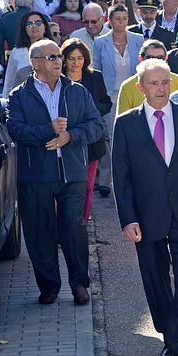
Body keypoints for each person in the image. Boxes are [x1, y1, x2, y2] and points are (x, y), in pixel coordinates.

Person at [113, 58, 178, 356]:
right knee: (155, 279)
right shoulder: (126, 124)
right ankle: (169, 331)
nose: (161, 88)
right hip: (146, 214)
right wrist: (128, 218)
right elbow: (121, 176)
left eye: (165, 82)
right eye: (154, 83)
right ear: (140, 87)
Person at [7, 39, 103, 306]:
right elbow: (16, 130)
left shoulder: (78, 91)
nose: (58, 61)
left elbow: (96, 126)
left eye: (59, 56)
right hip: (35, 174)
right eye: (51, 57)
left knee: (74, 227)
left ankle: (79, 285)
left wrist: (70, 136)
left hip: (72, 172)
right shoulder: (19, 95)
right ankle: (49, 286)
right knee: (40, 231)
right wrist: (47, 132)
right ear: (34, 62)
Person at [92, 4, 144, 197]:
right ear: (110, 20)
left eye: (124, 18)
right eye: (117, 18)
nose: (121, 22)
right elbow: (96, 71)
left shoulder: (138, 39)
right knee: (111, 139)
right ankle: (106, 180)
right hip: (110, 96)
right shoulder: (100, 42)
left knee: (135, 136)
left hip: (134, 93)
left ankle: (135, 177)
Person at [62, 38, 111, 223]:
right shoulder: (58, 79)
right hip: (67, 141)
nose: (76, 63)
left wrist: (91, 111)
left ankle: (83, 219)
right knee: (68, 186)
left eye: (80, 58)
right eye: (71, 58)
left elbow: (106, 102)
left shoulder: (94, 77)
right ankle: (66, 223)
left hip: (91, 140)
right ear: (64, 59)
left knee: (88, 185)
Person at [117, 40, 178, 115]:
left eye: (160, 58)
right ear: (141, 58)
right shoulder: (127, 86)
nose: (155, 62)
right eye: (150, 58)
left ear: (166, 58)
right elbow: (123, 121)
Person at [3, 11, 54, 98]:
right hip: (23, 101)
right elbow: (9, 82)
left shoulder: (54, 49)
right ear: (25, 29)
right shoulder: (17, 52)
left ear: (45, 27)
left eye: (38, 23)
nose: (34, 26)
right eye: (29, 24)